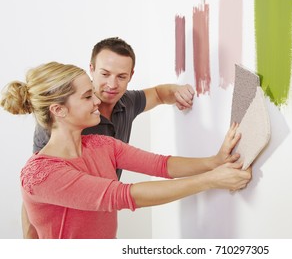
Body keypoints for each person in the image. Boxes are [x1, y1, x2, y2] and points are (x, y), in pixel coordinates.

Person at [1, 62, 252, 239]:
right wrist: (211, 180)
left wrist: (215, 161)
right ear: (59, 110)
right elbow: (124, 196)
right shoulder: (42, 173)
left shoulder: (101, 145)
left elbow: (162, 165)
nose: (97, 101)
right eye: (88, 96)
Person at [27, 37, 195, 238]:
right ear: (92, 69)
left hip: (102, 221)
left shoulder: (123, 109)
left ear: (131, 75)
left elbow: (159, 95)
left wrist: (177, 91)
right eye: (105, 74)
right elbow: (38, 189)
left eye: (121, 76)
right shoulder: (56, 130)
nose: (111, 84)